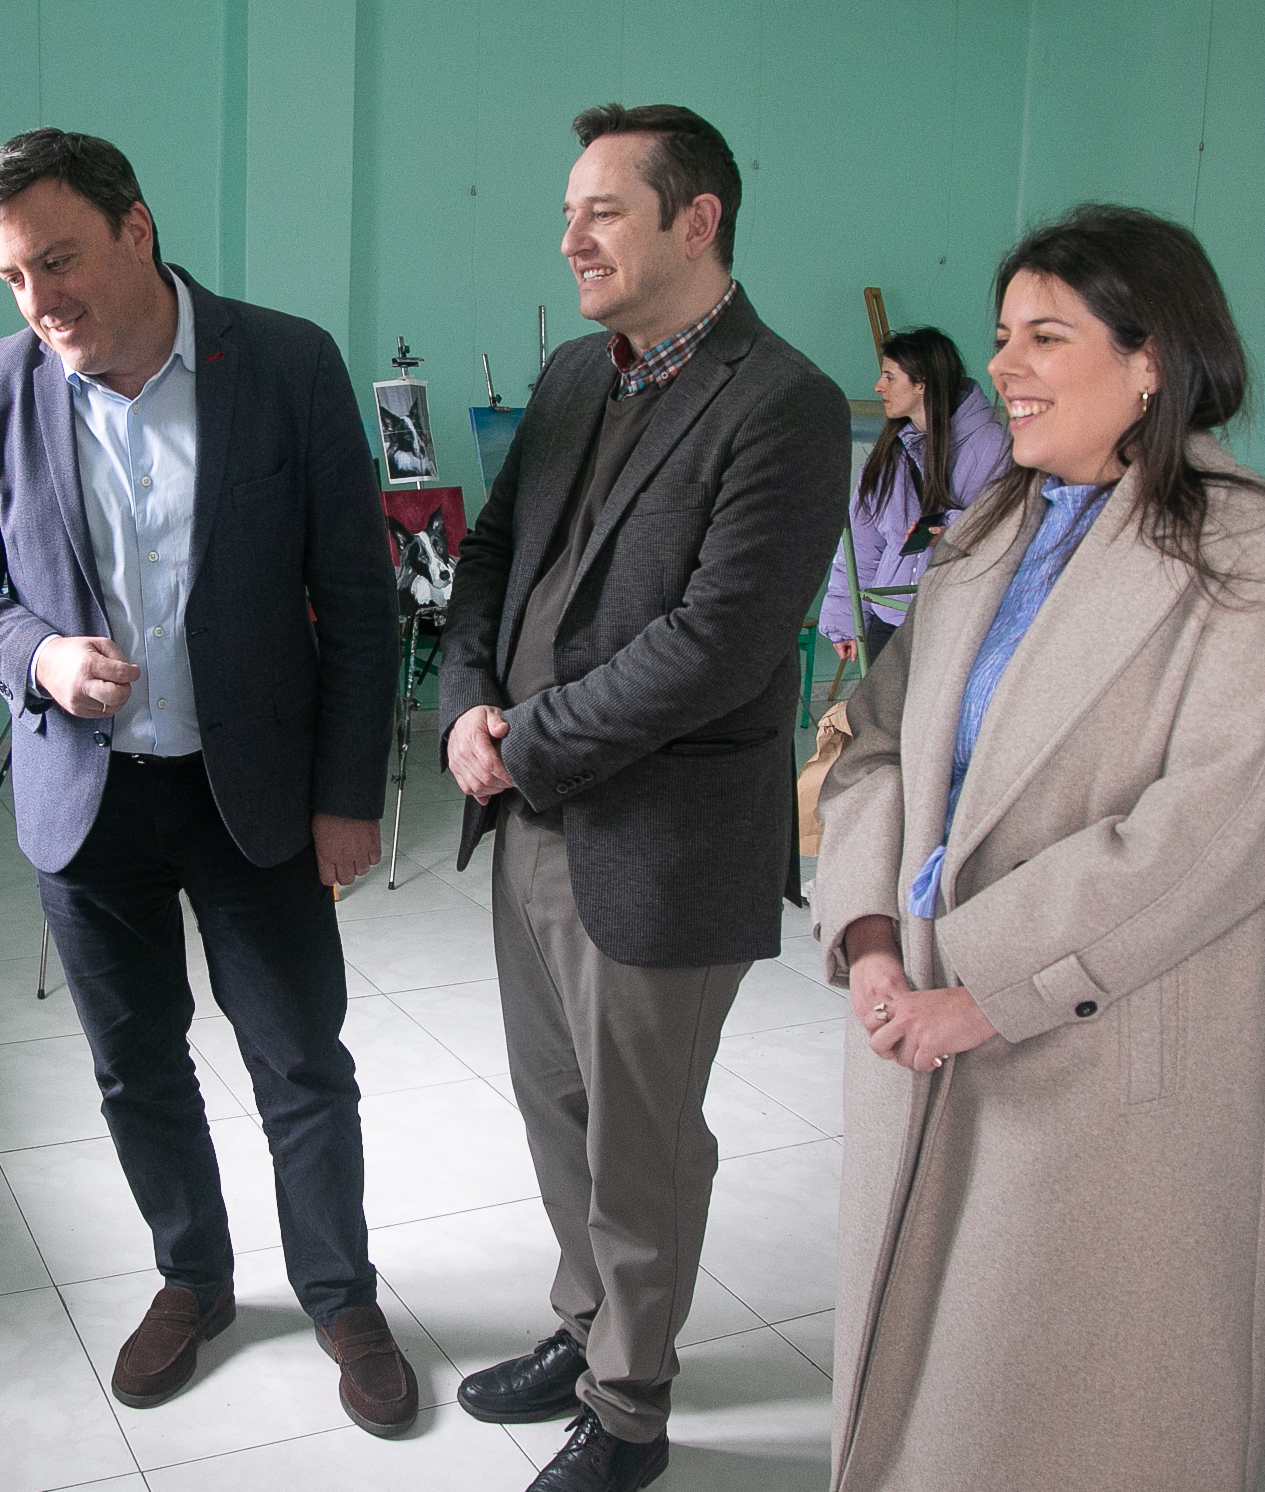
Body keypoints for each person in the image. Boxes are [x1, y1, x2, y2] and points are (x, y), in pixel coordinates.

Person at [0, 129, 416, 1438]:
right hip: (87, 802)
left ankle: (342, 1295)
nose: (40, 300)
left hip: (253, 790)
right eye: (13, 276)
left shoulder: (284, 363)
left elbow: (360, 599)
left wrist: (348, 794)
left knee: (299, 1060)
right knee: (135, 1064)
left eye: (59, 259)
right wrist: (37, 654)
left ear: (136, 228)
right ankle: (193, 1277)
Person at [813, 205, 1265, 1492]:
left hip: (1104, 1053)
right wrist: (869, 936)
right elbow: (875, 741)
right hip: (923, 1016)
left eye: (1046, 336)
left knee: (1071, 1405)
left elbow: (1213, 826)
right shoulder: (990, 530)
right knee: (926, 1390)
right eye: (1002, 335)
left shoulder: (1245, 552)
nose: (1004, 366)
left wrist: (981, 987)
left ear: (1151, 360)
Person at [437, 103, 848, 1491]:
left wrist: (525, 739)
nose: (570, 237)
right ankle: (584, 1328)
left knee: (643, 1141)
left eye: (601, 210)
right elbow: (491, 554)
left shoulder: (783, 403)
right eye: (567, 212)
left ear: (696, 219)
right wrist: (464, 705)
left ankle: (628, 1408)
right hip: (527, 812)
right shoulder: (573, 374)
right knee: (558, 1104)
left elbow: (717, 643)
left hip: (661, 839)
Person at [820, 326, 1012, 664]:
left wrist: (950, 530)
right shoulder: (888, 453)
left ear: (921, 384)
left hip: (955, 624)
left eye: (890, 377)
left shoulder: (990, 446)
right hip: (889, 620)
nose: (878, 386)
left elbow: (1004, 528)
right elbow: (862, 543)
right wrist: (845, 619)